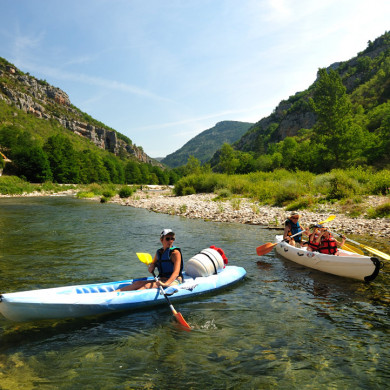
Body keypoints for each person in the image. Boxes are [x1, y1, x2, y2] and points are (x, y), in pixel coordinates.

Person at [117, 229, 183, 291]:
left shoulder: (175, 253)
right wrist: (152, 266)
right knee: (138, 283)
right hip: (162, 279)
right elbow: (153, 263)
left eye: (172, 239)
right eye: (168, 239)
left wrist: (166, 284)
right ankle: (112, 294)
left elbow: (176, 273)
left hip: (174, 281)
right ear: (161, 240)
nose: (170, 241)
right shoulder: (159, 252)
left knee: (148, 286)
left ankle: (126, 298)